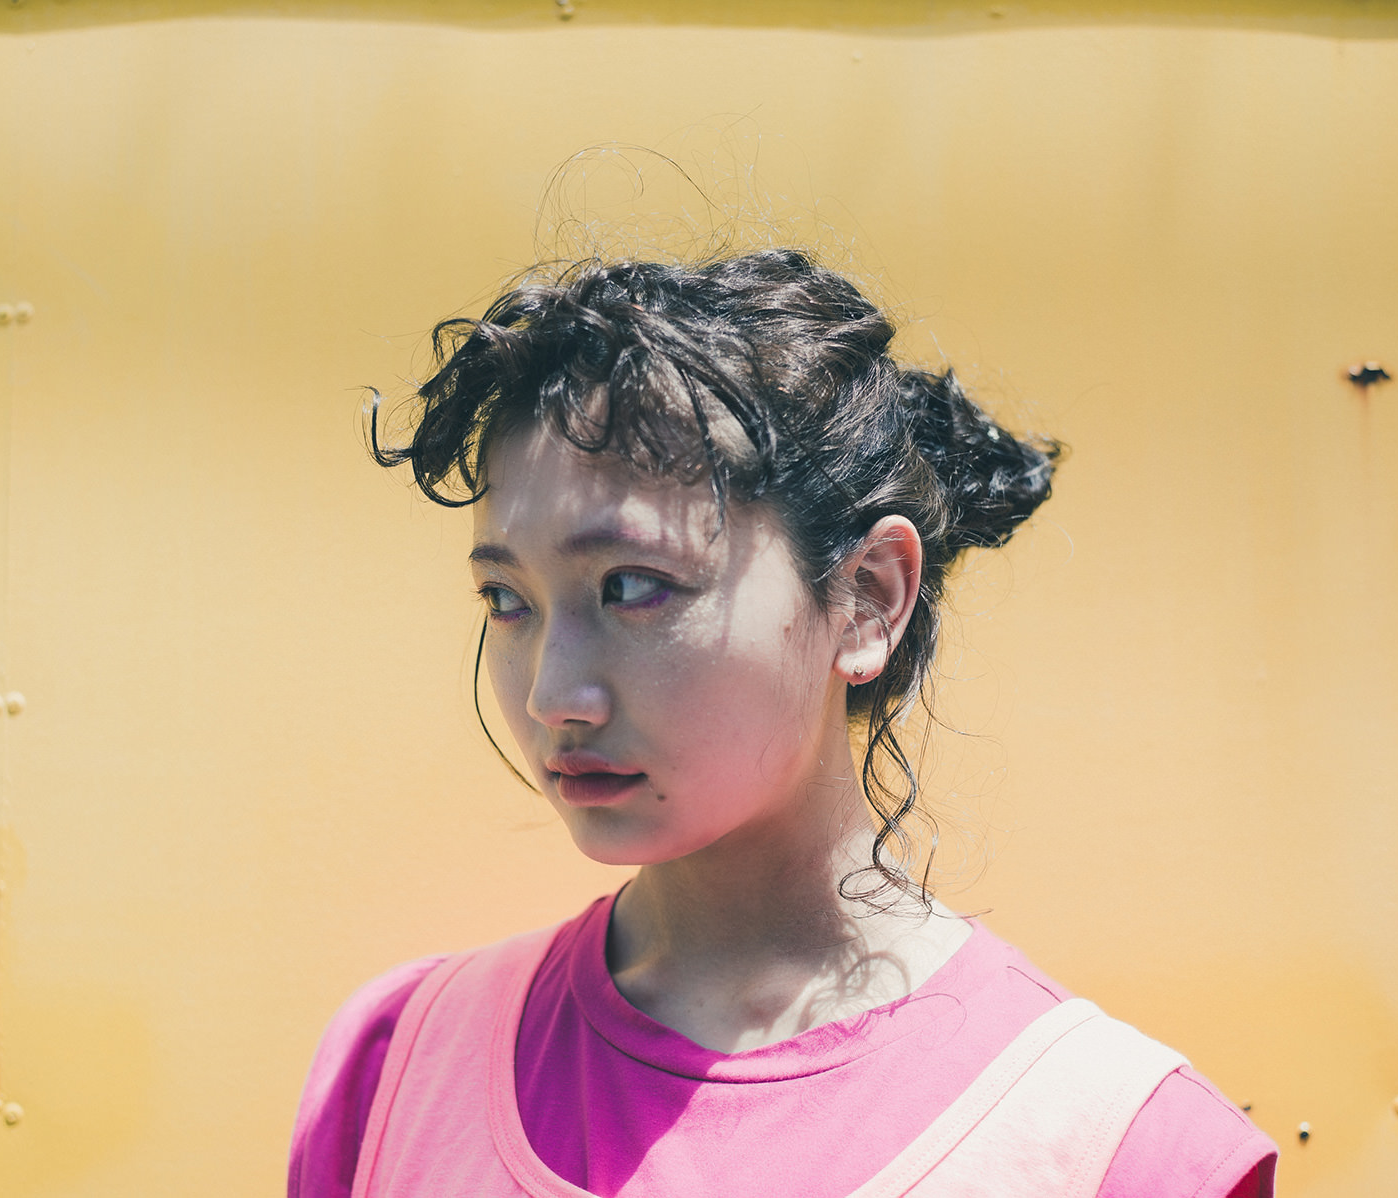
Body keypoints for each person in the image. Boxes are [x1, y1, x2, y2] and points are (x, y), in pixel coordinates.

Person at [291, 250, 1279, 1197]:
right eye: (507, 600)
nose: (554, 695)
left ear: (866, 598)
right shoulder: (396, 1071)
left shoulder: (1119, 1151)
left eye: (631, 586)